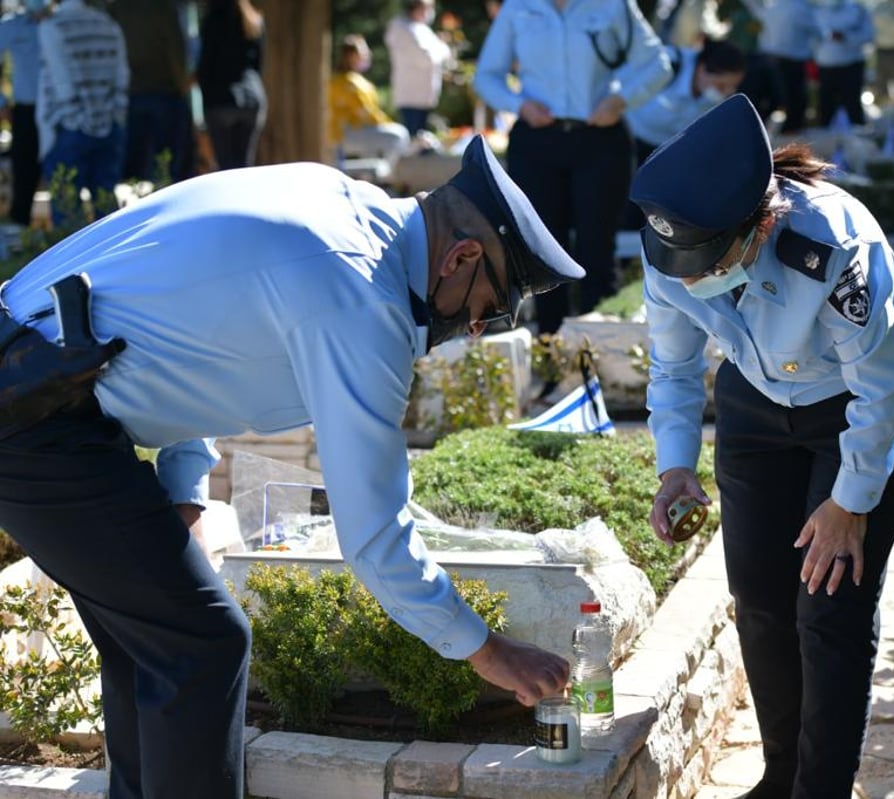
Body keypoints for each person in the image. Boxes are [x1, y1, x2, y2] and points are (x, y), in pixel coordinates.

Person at [0, 134, 577, 798]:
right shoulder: (361, 300)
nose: (471, 330)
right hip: (35, 412)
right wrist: (486, 649)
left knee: (155, 647)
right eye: (485, 312)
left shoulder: (331, 198)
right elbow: (373, 534)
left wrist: (183, 490)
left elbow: (207, 330)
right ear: (462, 255)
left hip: (43, 383)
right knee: (202, 643)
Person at [633, 94, 894, 799]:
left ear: (761, 227)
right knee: (762, 597)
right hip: (756, 399)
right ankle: (781, 778)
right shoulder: (673, 239)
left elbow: (880, 388)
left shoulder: (830, 244)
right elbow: (674, 367)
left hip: (860, 409)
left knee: (829, 607)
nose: (685, 277)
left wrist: (850, 500)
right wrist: (674, 464)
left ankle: (822, 789)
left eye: (702, 262)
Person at [473, 0, 673, 335]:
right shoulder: (518, 8)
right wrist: (518, 105)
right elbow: (487, 75)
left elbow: (658, 64)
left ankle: (598, 352)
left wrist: (621, 99)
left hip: (600, 139)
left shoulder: (614, 6)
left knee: (597, 252)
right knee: (544, 254)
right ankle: (552, 353)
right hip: (537, 141)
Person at [36, 0, 129, 226]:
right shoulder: (108, 25)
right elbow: (122, 76)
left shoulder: (52, 26)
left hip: (69, 129)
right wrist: (114, 116)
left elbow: (61, 81)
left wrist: (75, 119)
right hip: (108, 125)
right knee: (106, 211)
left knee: (66, 214)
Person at [108, 0, 195, 183]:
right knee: (167, 167)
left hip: (131, 93)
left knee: (133, 171)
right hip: (164, 93)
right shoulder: (163, 7)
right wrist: (182, 87)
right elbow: (175, 50)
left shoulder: (117, 8)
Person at [627, 38, 748, 166]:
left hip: (660, 155)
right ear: (702, 69)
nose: (725, 93)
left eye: (732, 87)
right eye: (721, 86)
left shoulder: (715, 99)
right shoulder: (666, 65)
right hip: (627, 138)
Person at [196, 0, 266, 170]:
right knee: (244, 166)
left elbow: (206, 66)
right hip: (252, 99)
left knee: (225, 168)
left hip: (220, 99)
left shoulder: (212, 20)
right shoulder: (254, 21)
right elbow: (259, 65)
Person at [328, 34, 412, 167]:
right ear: (351, 56)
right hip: (344, 135)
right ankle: (390, 176)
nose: (367, 55)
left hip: (344, 134)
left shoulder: (340, 79)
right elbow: (367, 114)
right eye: (363, 52)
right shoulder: (350, 82)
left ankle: (378, 174)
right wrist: (389, 124)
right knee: (399, 134)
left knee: (388, 134)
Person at [0, 0, 49, 226]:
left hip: (58, 109)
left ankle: (64, 231)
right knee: (24, 174)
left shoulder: (57, 22)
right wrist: (2, 104)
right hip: (25, 111)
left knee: (59, 171)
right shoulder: (11, 26)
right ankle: (20, 230)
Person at [741, 0, 817, 134]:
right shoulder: (802, 9)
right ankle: (788, 133)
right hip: (791, 63)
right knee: (793, 102)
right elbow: (819, 32)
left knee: (773, 100)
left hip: (770, 59)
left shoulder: (774, 7)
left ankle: (759, 131)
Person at [385, 0, 453, 137]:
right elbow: (426, 58)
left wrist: (441, 48)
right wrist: (442, 47)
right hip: (411, 95)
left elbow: (440, 53)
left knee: (422, 138)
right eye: (426, 9)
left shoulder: (421, 28)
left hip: (424, 95)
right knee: (413, 140)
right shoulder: (402, 28)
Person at [811, 0, 873, 126]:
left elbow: (869, 35)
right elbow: (810, 39)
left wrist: (846, 36)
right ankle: (825, 138)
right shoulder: (816, 11)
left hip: (852, 65)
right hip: (826, 67)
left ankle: (858, 138)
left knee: (853, 105)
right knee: (825, 108)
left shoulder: (857, 10)